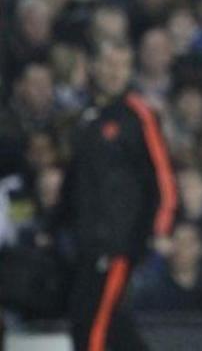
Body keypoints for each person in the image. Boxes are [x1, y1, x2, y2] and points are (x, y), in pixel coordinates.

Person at [56, 40, 178, 350]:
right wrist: (55, 225)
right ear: (94, 67)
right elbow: (74, 181)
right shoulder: (86, 117)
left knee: (92, 327)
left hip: (117, 241)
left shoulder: (138, 115)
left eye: (122, 65)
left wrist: (161, 229)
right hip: (87, 240)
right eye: (109, 64)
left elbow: (162, 176)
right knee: (109, 326)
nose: (115, 73)